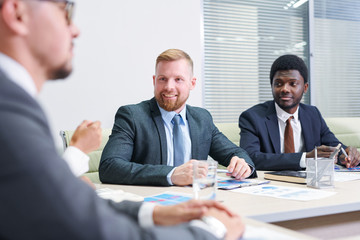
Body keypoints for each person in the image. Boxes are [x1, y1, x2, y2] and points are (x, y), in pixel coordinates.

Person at [0, 0, 245, 239]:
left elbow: (64, 201)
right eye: (65, 10)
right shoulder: (10, 108)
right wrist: (211, 231)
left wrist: (154, 213)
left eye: (178, 80)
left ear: (192, 83)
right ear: (17, 13)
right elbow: (79, 212)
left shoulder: (17, 102)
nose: (75, 29)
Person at [99, 48, 256, 186]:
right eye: (163, 79)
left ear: (192, 83)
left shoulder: (202, 118)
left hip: (194, 201)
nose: (169, 87)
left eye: (178, 79)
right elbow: (110, 167)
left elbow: (235, 153)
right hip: (153, 205)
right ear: (154, 81)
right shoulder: (132, 116)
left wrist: (243, 164)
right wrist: (172, 174)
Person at [239, 54, 360, 170]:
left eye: (293, 84)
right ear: (272, 85)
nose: (285, 89)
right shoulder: (252, 117)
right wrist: (305, 158)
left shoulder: (313, 114)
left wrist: (346, 155)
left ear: (305, 87)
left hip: (309, 184)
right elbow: (250, 157)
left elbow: (334, 147)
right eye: (278, 83)